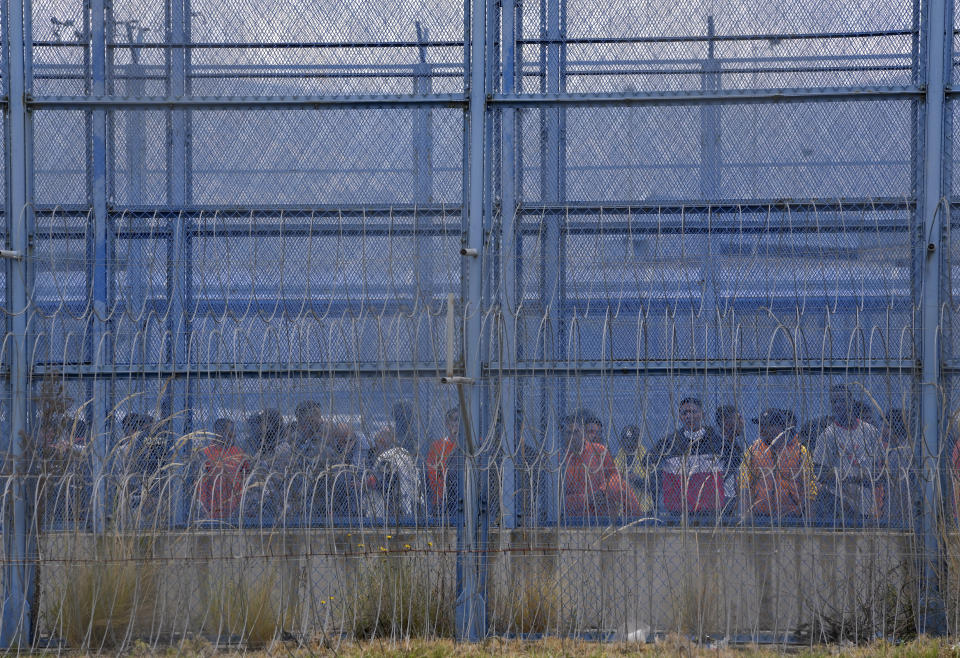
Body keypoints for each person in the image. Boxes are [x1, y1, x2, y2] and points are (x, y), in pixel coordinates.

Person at [655, 397, 740, 515]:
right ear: (680, 417)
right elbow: (648, 461)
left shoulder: (716, 441)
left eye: (693, 412)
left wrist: (718, 484)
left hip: (712, 510)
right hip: (681, 510)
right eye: (685, 413)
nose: (689, 416)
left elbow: (735, 462)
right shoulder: (671, 442)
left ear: (702, 414)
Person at [812, 385, 884, 522]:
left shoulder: (869, 432)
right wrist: (855, 477)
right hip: (837, 502)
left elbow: (880, 469)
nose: (838, 405)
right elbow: (819, 471)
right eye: (834, 402)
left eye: (842, 400)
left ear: (851, 402)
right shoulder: (828, 435)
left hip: (864, 502)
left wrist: (871, 476)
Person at [738, 409, 817, 522]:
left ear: (780, 428)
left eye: (767, 425)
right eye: (760, 425)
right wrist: (745, 517)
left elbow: (809, 487)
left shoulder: (800, 451)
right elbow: (744, 485)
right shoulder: (753, 451)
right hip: (760, 517)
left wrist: (810, 519)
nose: (762, 429)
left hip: (792, 518)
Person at [561, 410, 641, 521]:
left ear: (583, 432)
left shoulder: (599, 451)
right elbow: (559, 500)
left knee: (622, 487)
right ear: (564, 435)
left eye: (576, 432)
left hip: (603, 517)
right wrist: (587, 499)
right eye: (569, 433)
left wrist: (603, 492)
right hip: (576, 519)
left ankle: (637, 521)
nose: (573, 437)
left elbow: (615, 476)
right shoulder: (560, 460)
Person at [197, 418, 251, 521]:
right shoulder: (206, 453)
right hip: (211, 509)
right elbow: (201, 484)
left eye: (234, 432)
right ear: (219, 433)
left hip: (235, 510)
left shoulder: (240, 453)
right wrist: (205, 508)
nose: (234, 435)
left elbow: (247, 479)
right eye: (230, 432)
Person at [880, 409, 914, 526]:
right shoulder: (902, 449)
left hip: (898, 514)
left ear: (893, 428)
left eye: (885, 426)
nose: (882, 431)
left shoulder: (900, 453)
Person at [426, 407, 460, 516]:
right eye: (454, 420)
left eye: (459, 420)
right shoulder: (437, 446)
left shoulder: (470, 446)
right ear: (447, 424)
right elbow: (432, 476)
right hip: (443, 500)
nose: (457, 424)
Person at [613, 425, 654, 514]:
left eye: (632, 442)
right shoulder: (618, 457)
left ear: (638, 441)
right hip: (623, 510)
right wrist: (621, 478)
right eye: (626, 442)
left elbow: (653, 487)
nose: (629, 445)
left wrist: (637, 480)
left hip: (644, 508)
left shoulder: (647, 457)